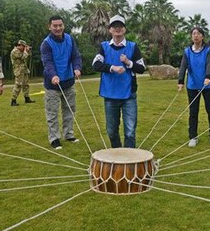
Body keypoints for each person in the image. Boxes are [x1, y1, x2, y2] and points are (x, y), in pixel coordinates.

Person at [93, 15, 146, 148]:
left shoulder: (133, 47)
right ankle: (117, 156)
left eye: (120, 26)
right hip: (110, 95)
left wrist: (129, 63)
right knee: (111, 131)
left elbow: (142, 68)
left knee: (130, 131)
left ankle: (130, 159)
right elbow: (96, 65)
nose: (118, 29)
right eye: (114, 26)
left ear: (125, 29)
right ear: (110, 29)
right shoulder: (104, 47)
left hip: (129, 95)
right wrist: (112, 67)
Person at [40, 16, 82, 150]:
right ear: (49, 27)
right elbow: (47, 63)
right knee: (52, 112)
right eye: (55, 26)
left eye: (60, 25)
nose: (58, 28)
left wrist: (77, 68)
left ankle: (69, 134)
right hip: (53, 84)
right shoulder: (46, 43)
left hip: (69, 82)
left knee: (69, 110)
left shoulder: (70, 39)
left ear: (63, 26)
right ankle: (54, 138)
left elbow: (75, 56)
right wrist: (53, 76)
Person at [178, 27, 210, 148]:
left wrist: (208, 77)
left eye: (198, 33)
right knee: (193, 112)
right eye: (194, 34)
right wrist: (180, 81)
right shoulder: (187, 51)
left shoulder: (208, 50)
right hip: (192, 86)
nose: (196, 36)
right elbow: (183, 66)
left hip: (207, 86)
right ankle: (193, 137)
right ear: (191, 37)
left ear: (202, 36)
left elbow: (209, 64)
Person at [10, 39, 35, 106]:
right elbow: (23, 57)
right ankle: (13, 100)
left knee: (26, 85)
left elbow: (29, 55)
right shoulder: (14, 51)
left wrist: (28, 50)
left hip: (24, 69)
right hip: (19, 70)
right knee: (18, 85)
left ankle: (27, 98)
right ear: (19, 45)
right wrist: (25, 51)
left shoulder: (21, 51)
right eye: (23, 46)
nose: (24, 47)